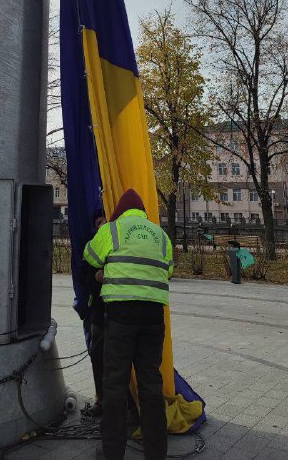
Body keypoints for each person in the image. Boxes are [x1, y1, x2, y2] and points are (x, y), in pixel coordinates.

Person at [84, 188, 173, 460]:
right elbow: (167, 269)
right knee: (151, 386)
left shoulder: (112, 230)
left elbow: (90, 256)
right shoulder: (160, 235)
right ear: (143, 212)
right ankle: (156, 453)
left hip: (121, 317)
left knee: (114, 386)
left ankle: (112, 453)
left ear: (120, 211)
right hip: (153, 319)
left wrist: (107, 270)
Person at [82, 207, 107, 417]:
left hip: (116, 312)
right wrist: (94, 277)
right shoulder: (91, 247)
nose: (103, 225)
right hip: (97, 311)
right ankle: (101, 399)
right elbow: (84, 276)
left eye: (106, 221)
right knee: (97, 356)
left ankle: (122, 400)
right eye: (99, 222)